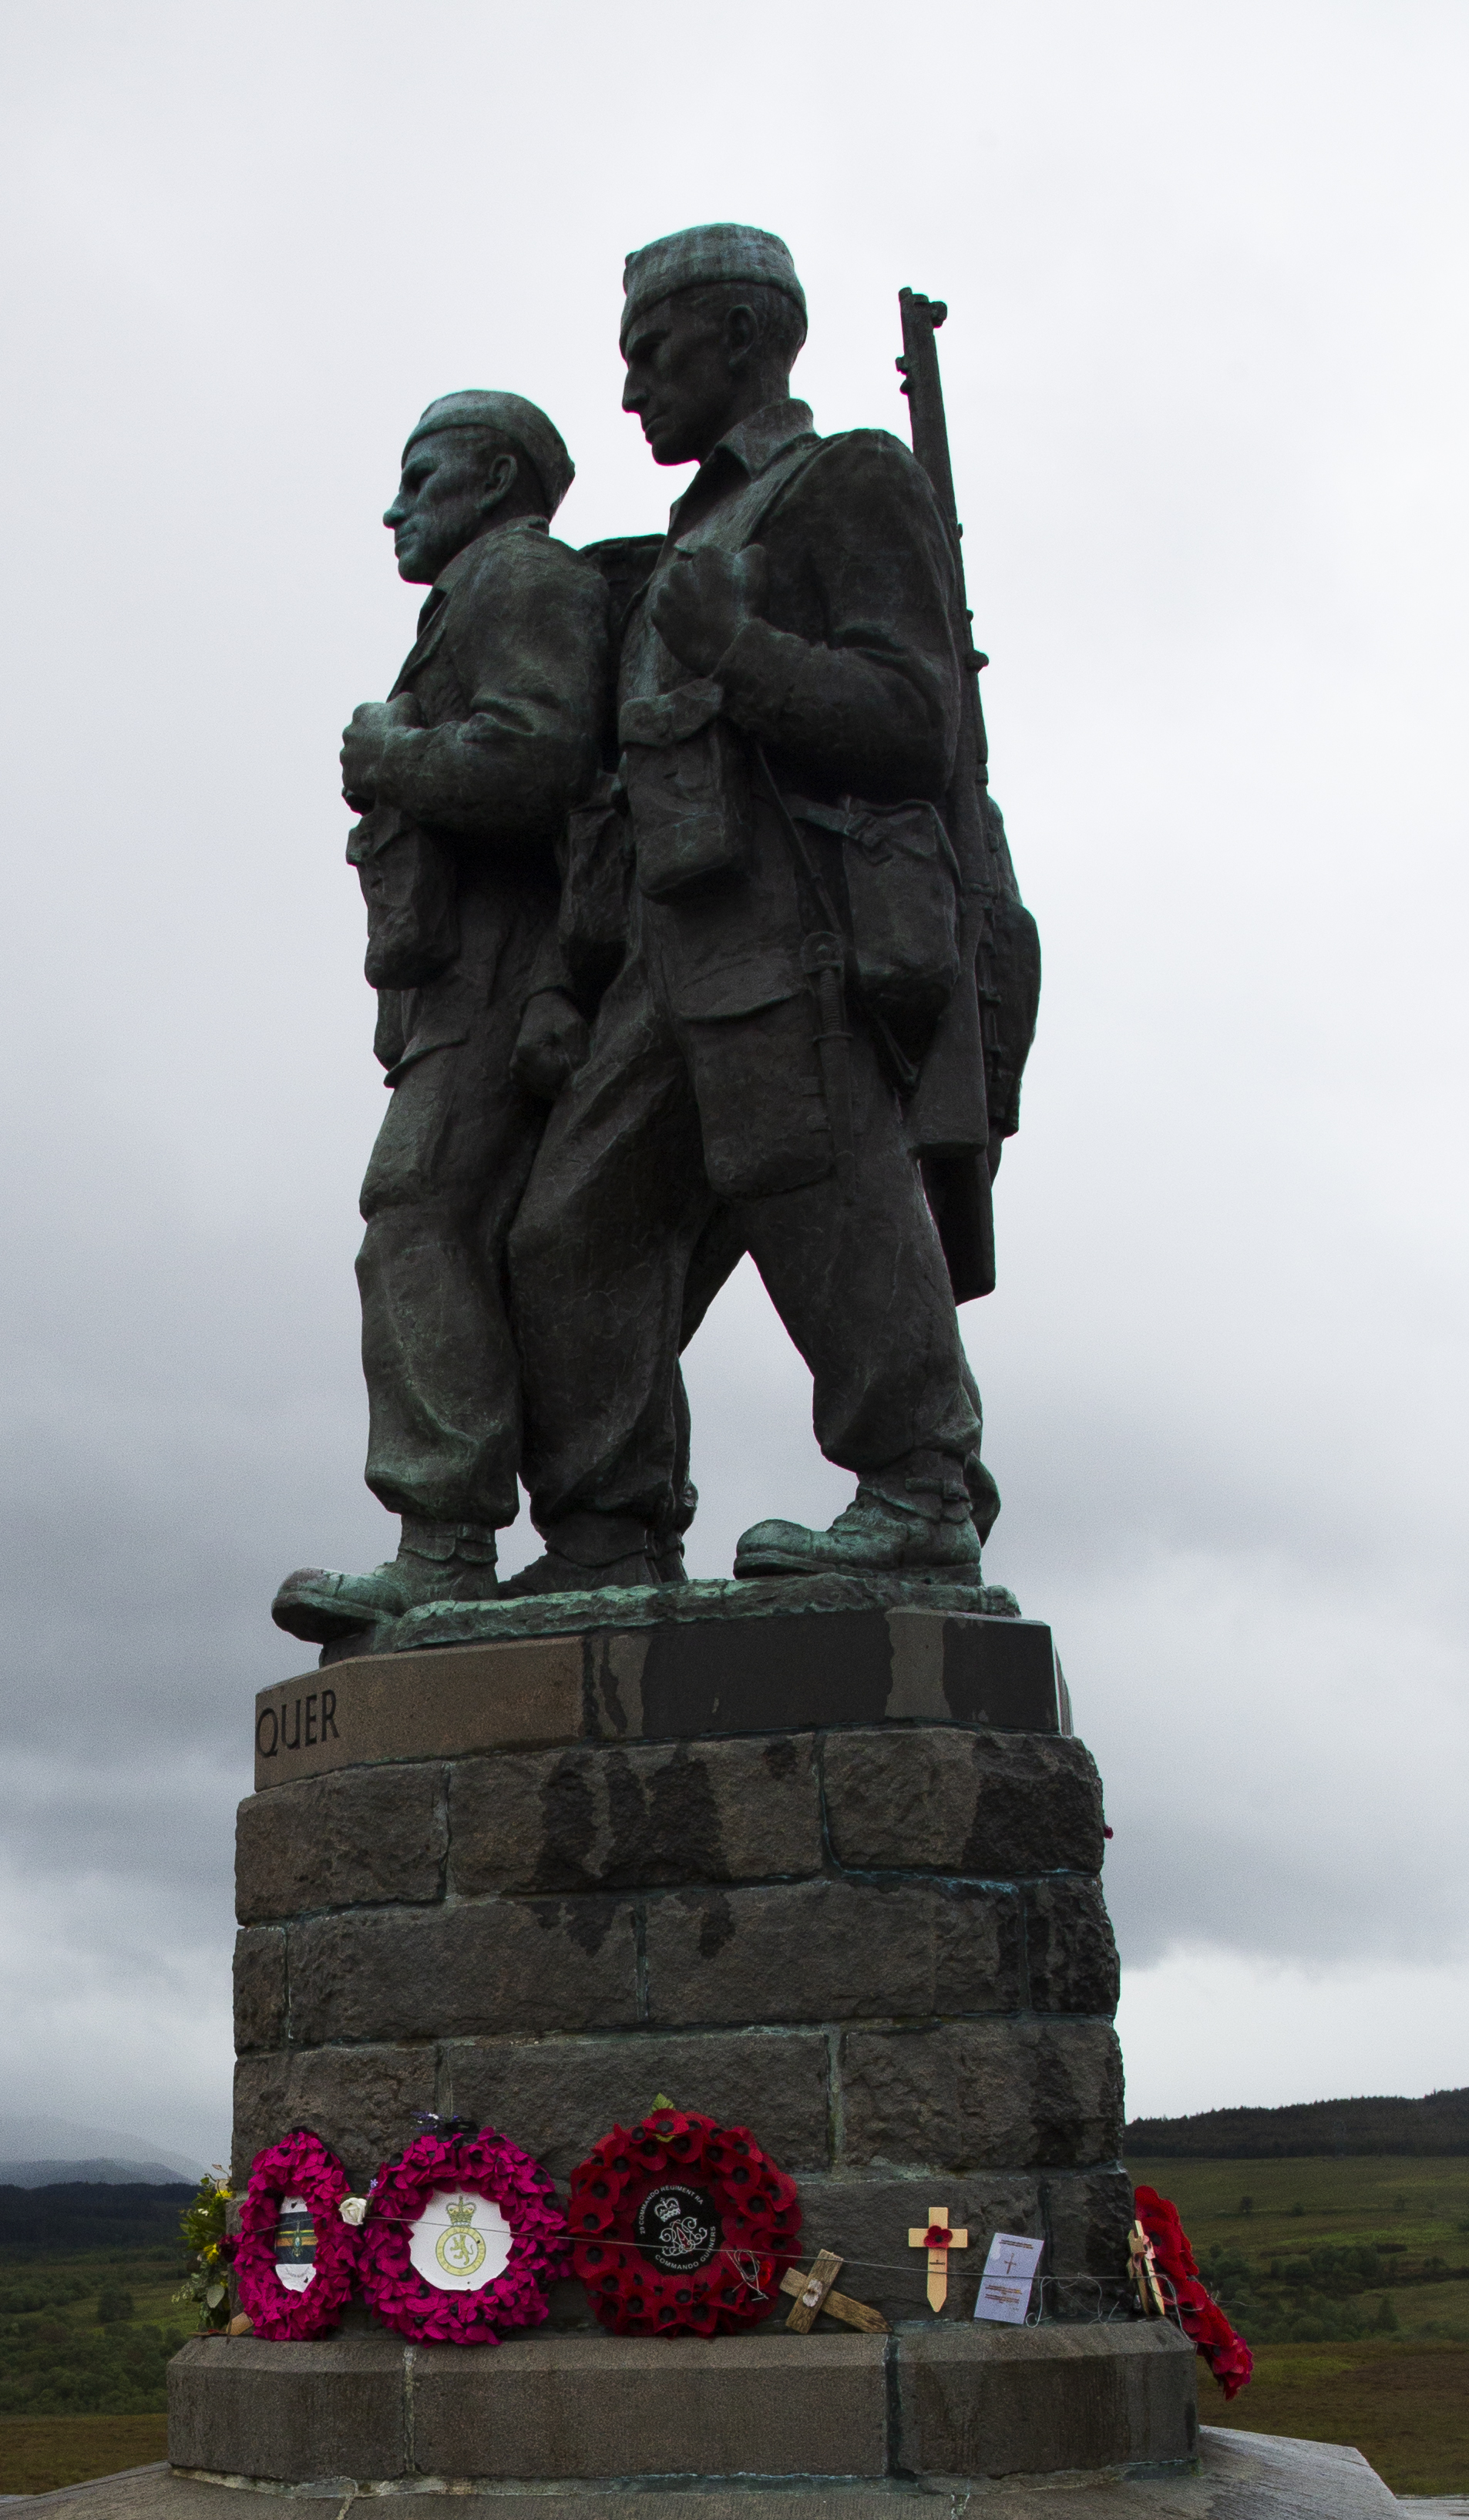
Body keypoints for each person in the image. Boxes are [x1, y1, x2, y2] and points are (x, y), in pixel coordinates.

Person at [503, 222, 1000, 1588]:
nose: (628, 395)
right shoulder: (683, 538)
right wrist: (570, 969)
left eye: (649, 354)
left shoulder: (845, 483)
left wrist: (744, 653)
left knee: (822, 1194)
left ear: (739, 334)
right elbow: (625, 784)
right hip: (667, 943)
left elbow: (916, 725)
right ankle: (610, 1532)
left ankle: (918, 1488)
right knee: (571, 1230)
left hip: (796, 926)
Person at [270, 394, 608, 1650]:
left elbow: (540, 762)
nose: (395, 507)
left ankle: (446, 1542)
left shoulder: (518, 576)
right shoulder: (473, 596)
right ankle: (555, 1530)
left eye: (422, 479)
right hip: (469, 978)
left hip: (507, 971)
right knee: (490, 1236)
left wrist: (392, 758)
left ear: (497, 480)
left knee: (415, 1212)